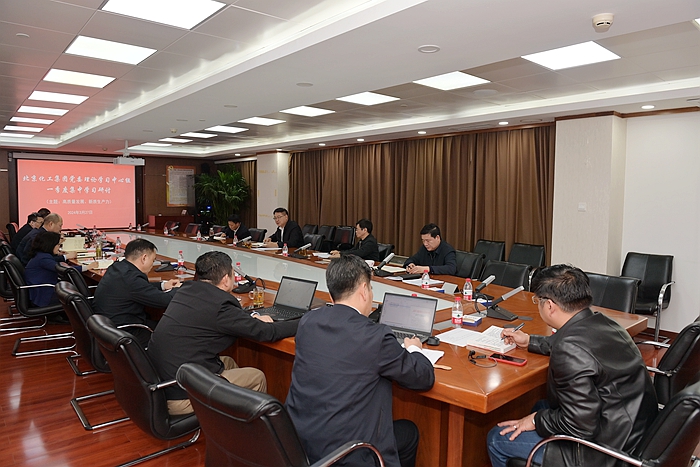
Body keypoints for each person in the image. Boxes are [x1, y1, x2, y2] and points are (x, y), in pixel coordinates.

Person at [486, 264, 658, 467]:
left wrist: (535, 420)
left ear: (550, 306)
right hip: (632, 429)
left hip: (605, 450)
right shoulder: (603, 322)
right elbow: (576, 345)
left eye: (538, 301)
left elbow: (580, 425)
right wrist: (529, 341)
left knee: (496, 439)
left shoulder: (569, 350)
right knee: (540, 406)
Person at [285, 255, 435, 467]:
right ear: (364, 290)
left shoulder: (308, 321)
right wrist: (414, 349)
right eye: (371, 289)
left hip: (299, 444)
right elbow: (423, 377)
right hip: (350, 453)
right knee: (409, 432)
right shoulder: (375, 337)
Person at [147, 251, 298, 415]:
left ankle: (233, 414)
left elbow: (217, 315)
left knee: (228, 362)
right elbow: (268, 333)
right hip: (183, 396)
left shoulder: (187, 290)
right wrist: (306, 320)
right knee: (256, 377)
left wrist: (252, 316)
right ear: (226, 279)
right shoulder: (220, 305)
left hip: (163, 384)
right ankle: (249, 427)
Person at [93, 238, 180, 348]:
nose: (152, 264)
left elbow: (140, 288)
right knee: (173, 330)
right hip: (124, 332)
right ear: (144, 258)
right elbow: (165, 301)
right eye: (153, 260)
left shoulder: (118, 267)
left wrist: (163, 285)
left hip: (105, 328)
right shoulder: (132, 278)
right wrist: (179, 289)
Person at [25, 231, 98, 308]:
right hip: (43, 296)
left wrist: (58, 254)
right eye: (58, 245)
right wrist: (87, 267)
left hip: (42, 292)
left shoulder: (40, 255)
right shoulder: (43, 258)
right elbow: (64, 269)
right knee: (80, 297)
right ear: (50, 245)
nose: (59, 247)